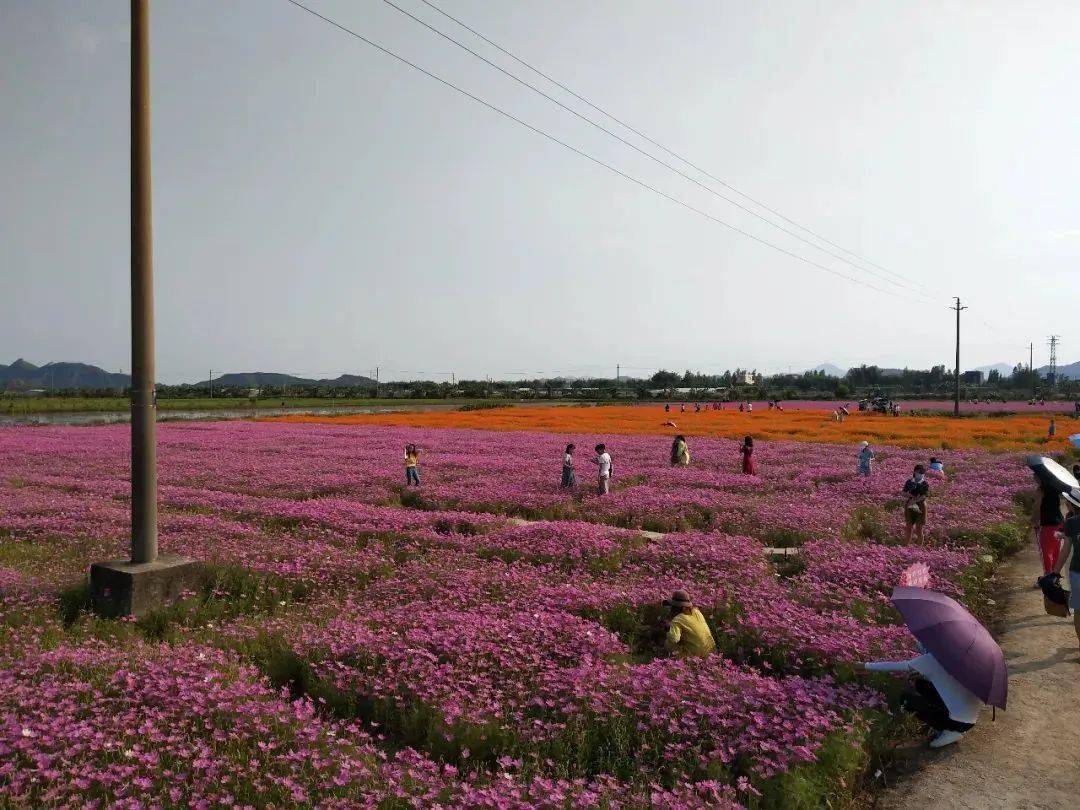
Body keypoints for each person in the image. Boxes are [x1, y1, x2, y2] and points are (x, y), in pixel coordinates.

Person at [854, 643, 982, 748]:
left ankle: (948, 730)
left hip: (957, 722)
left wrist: (865, 666)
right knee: (921, 684)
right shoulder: (957, 654)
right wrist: (924, 675)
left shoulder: (933, 658)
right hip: (969, 718)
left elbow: (899, 666)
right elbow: (947, 681)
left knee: (906, 700)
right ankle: (954, 726)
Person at [1051, 490, 1080, 654]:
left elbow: (1065, 551)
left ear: (1073, 505)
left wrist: (1055, 572)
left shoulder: (1071, 523)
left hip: (1078, 572)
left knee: (1079, 612)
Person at [662, 589, 716, 658]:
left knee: (668, 643)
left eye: (672, 606)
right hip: (711, 654)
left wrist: (667, 628)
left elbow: (674, 639)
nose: (670, 609)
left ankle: (681, 660)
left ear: (676, 607)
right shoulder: (697, 612)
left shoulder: (677, 619)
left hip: (694, 656)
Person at [1032, 478, 1065, 574]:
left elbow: (1037, 506)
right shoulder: (1055, 487)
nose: (1034, 476)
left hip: (1048, 525)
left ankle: (1048, 577)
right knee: (1055, 551)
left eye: (1035, 475)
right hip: (1059, 523)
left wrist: (1035, 520)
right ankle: (1055, 575)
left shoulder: (1041, 490)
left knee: (1046, 553)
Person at [902, 464, 930, 543]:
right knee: (909, 527)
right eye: (919, 472)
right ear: (915, 472)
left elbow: (924, 496)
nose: (921, 474)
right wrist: (910, 495)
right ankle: (906, 546)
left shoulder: (925, 483)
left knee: (919, 529)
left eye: (922, 472)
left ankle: (919, 549)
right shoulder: (909, 482)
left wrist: (914, 500)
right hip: (909, 505)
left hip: (920, 506)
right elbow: (903, 492)